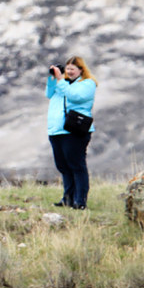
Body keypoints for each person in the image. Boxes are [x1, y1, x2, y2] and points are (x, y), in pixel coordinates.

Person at [46, 56, 97, 210]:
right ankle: (67, 199)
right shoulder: (63, 84)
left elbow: (75, 96)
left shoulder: (87, 84)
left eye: (72, 69)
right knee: (63, 166)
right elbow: (49, 94)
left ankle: (80, 201)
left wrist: (61, 79)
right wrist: (52, 78)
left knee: (76, 165)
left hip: (74, 130)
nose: (69, 72)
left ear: (81, 70)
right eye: (67, 69)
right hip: (57, 130)